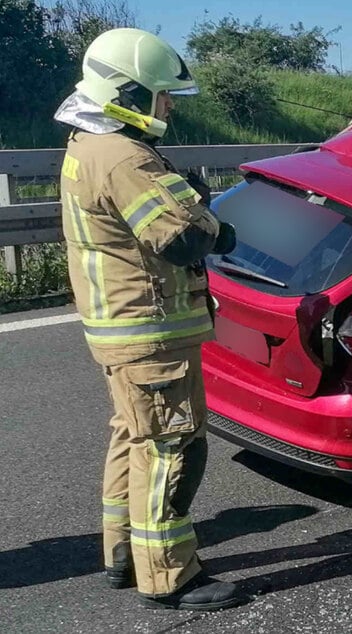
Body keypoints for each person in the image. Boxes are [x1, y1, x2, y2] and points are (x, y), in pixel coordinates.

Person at [53, 28, 245, 611]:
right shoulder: (124, 155)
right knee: (173, 448)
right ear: (127, 92)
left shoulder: (87, 144)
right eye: (160, 96)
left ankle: (121, 552)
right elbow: (181, 237)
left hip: (117, 329)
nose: (166, 108)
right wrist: (211, 215)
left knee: (133, 436)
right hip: (150, 330)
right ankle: (170, 574)